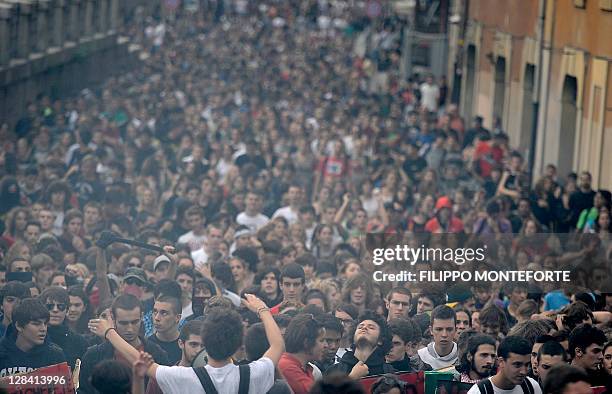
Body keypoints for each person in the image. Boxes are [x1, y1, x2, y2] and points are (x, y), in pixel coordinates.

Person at [88, 293, 284, 394]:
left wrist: (109, 332)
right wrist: (262, 310)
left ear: (205, 342)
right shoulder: (254, 373)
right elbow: (277, 345)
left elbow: (141, 361)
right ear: (238, 345)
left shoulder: (184, 377)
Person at [79, 294, 170, 394]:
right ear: (113, 319)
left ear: (142, 317)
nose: (130, 329)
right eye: (124, 323)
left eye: (135, 322)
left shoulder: (157, 354)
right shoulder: (94, 356)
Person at [0, 298, 66, 377]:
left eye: (45, 324)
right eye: (36, 324)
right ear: (19, 326)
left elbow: (63, 388)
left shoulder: (55, 355)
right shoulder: (2, 352)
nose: (43, 329)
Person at [325, 310, 394, 378]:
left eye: (371, 327)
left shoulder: (389, 372)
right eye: (360, 327)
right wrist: (352, 378)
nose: (364, 328)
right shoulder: (333, 371)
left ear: (380, 340)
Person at [467, 336, 542, 394]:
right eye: (517, 365)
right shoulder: (479, 391)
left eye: (527, 365)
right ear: (501, 362)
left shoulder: (531, 387)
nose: (524, 371)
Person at [39, 286, 88, 369]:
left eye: (60, 306)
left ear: (67, 310)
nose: (55, 310)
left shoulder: (79, 342)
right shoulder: (34, 338)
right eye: (49, 306)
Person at [278, 313, 327, 393]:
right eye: (321, 340)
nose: (326, 345)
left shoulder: (304, 367)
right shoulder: (287, 367)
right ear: (306, 343)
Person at [418, 305, 458, 370]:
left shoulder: (463, 357)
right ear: (431, 330)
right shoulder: (420, 357)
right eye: (439, 329)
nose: (444, 335)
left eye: (449, 329)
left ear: (455, 330)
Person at [147, 295, 182, 364]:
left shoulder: (185, 345)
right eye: (155, 312)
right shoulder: (147, 345)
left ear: (177, 318)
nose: (157, 318)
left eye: (164, 313)